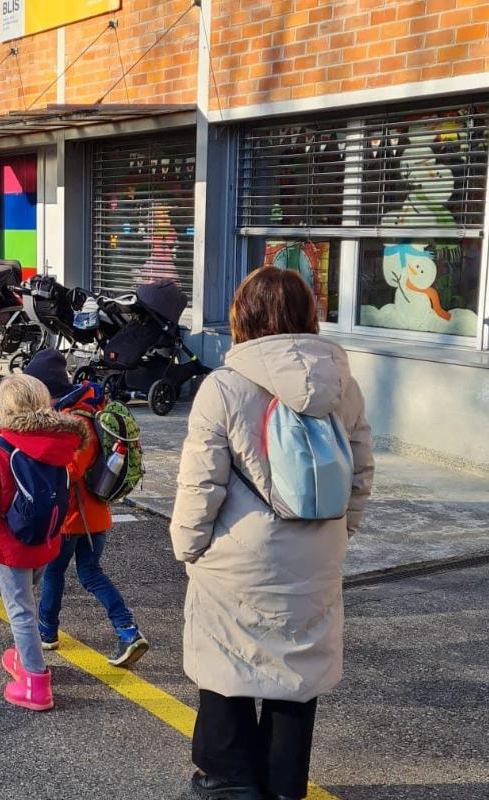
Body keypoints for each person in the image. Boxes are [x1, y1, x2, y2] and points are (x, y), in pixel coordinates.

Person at [169, 268, 375, 800]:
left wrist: (189, 546)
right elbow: (361, 472)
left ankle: (227, 781)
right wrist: (337, 536)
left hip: (239, 556)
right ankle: (285, 787)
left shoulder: (225, 385)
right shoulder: (342, 383)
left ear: (244, 314)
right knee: (298, 675)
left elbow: (201, 483)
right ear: (309, 313)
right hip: (317, 551)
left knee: (227, 665)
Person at [0, 374, 85, 712]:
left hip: (11, 546)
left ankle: (36, 684)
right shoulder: (61, 444)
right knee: (28, 602)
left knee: (20, 611)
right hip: (46, 541)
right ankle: (26, 657)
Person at [24, 348, 150, 668]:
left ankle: (48, 631)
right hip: (97, 515)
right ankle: (127, 630)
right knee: (90, 574)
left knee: (54, 573)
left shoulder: (74, 420)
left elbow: (69, 471)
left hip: (73, 518)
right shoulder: (88, 408)